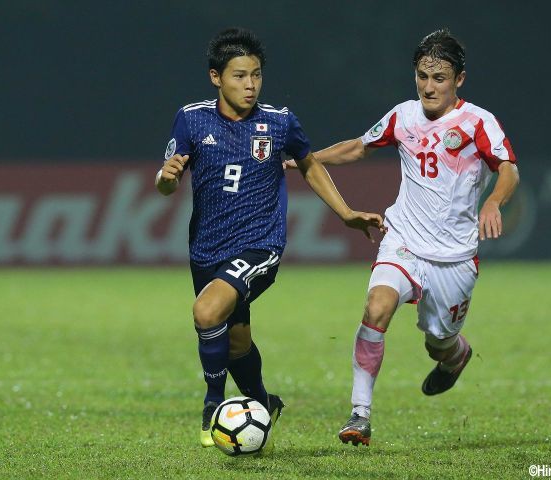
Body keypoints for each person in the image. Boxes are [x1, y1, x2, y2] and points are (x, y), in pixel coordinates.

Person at [155, 27, 385, 449]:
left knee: (207, 312)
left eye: (256, 75)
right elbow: (168, 179)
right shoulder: (192, 118)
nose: (250, 85)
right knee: (236, 340)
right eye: (240, 76)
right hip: (206, 248)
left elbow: (311, 165)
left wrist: (346, 213)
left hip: (261, 244)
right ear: (215, 77)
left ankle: (212, 405)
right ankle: (263, 403)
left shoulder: (279, 123)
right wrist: (165, 178)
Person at [287, 28, 519, 446]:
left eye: (440, 78)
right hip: (404, 239)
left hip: (454, 257)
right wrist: (304, 160)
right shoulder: (403, 115)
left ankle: (455, 355)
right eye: (422, 76)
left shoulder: (477, 122)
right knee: (377, 308)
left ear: (459, 80)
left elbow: (508, 169)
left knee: (439, 343)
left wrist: (493, 203)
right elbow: (360, 146)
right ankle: (360, 415)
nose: (429, 87)